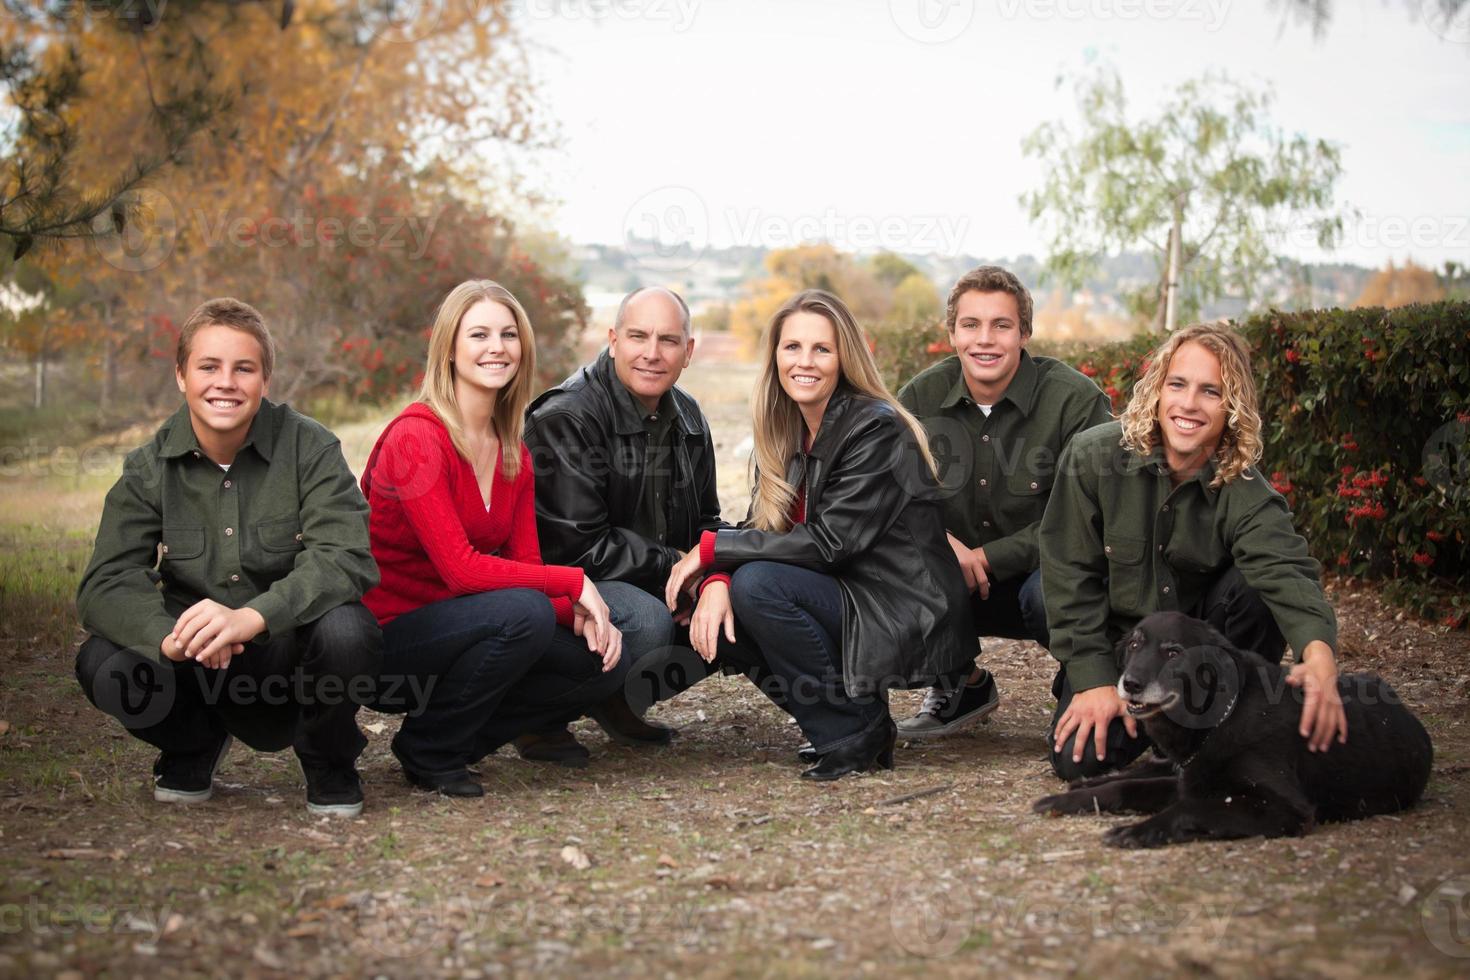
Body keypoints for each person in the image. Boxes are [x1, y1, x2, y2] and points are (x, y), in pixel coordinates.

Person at [75, 298, 382, 816]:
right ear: (180, 375)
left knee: (348, 629)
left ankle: (329, 762)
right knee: (101, 661)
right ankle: (191, 747)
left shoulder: (310, 446)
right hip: (191, 662)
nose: (226, 382)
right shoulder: (148, 466)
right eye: (208, 367)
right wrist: (168, 638)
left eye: (244, 368)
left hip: (284, 654)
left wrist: (250, 617)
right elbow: (106, 582)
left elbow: (346, 555)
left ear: (265, 378)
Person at [664, 289, 975, 780]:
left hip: (902, 605)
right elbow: (760, 529)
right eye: (792, 348)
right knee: (723, 607)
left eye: (821, 349)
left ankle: (855, 731)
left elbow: (829, 544)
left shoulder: (875, 428)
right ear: (775, 356)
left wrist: (711, 551)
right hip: (849, 593)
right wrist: (716, 579)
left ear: (843, 357)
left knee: (761, 587)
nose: (804, 362)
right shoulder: (789, 429)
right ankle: (843, 726)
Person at [1040, 322, 1348, 782]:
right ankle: (1141, 718)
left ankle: (1224, 723)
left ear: (1232, 408)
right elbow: (1068, 578)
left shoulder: (1245, 489)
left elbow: (1285, 571)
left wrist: (1319, 657)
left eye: (1210, 391)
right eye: (1178, 384)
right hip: (1123, 654)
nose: (1188, 404)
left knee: (1255, 588)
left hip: (1201, 666)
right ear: (1157, 390)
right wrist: (1093, 681)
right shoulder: (1092, 457)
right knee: (1079, 762)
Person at [361, 280, 628, 797]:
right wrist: (573, 582)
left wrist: (574, 615)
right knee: (524, 613)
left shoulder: (512, 451)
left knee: (594, 658)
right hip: (386, 641)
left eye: (508, 334)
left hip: (464, 627)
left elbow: (523, 563)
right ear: (450, 348)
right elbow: (462, 570)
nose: (496, 347)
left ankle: (446, 740)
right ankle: (433, 750)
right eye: (478, 334)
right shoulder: (417, 438)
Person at [894, 266, 1112, 738]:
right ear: (951, 333)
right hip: (955, 585)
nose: (985, 340)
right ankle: (962, 684)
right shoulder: (920, 397)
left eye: (1002, 325)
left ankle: (1083, 681)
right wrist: (942, 542)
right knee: (890, 569)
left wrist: (989, 557)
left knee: (1053, 590)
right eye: (971, 325)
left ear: (1025, 333)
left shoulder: (1074, 400)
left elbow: (1088, 516)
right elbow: (889, 495)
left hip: (1045, 581)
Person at [524, 286, 728, 736]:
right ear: (614, 340)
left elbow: (708, 520)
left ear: (688, 351)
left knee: (736, 600)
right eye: (639, 337)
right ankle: (536, 718)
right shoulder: (568, 418)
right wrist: (676, 568)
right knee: (646, 619)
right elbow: (575, 549)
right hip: (562, 589)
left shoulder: (689, 418)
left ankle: (616, 701)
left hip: (648, 577)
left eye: (668, 340)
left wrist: (711, 574)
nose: (652, 353)